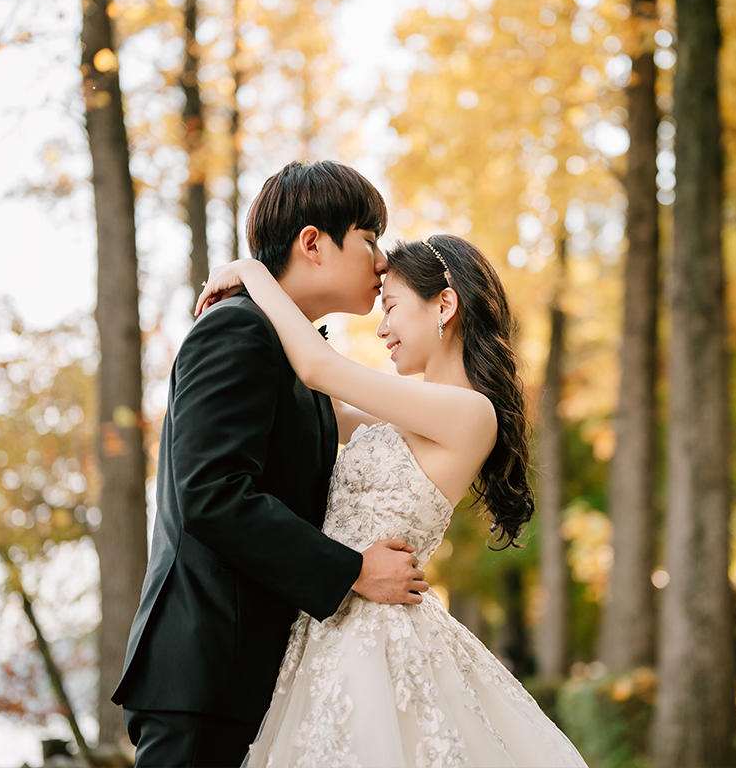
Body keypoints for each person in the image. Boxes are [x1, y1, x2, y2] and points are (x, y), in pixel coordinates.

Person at [195, 234, 587, 767]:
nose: (381, 328)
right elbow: (317, 407)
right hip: (327, 627)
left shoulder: (472, 415)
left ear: (444, 305)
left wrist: (254, 272)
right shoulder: (403, 419)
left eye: (392, 307)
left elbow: (320, 371)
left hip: (380, 642)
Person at [112, 161, 430, 768]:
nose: (383, 262)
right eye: (370, 240)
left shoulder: (297, 353)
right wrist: (352, 571)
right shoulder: (235, 330)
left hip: (257, 675)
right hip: (207, 675)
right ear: (313, 243)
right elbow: (211, 493)